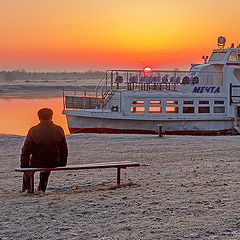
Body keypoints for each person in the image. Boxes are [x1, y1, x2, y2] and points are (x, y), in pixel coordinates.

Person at [20, 108, 68, 192]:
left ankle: (27, 188)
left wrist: (24, 166)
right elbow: (64, 149)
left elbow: (26, 151)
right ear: (51, 117)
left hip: (37, 161)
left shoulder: (33, 130)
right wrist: (62, 163)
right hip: (54, 161)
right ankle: (41, 188)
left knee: (28, 169)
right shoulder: (58, 129)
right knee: (47, 164)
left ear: (39, 117)